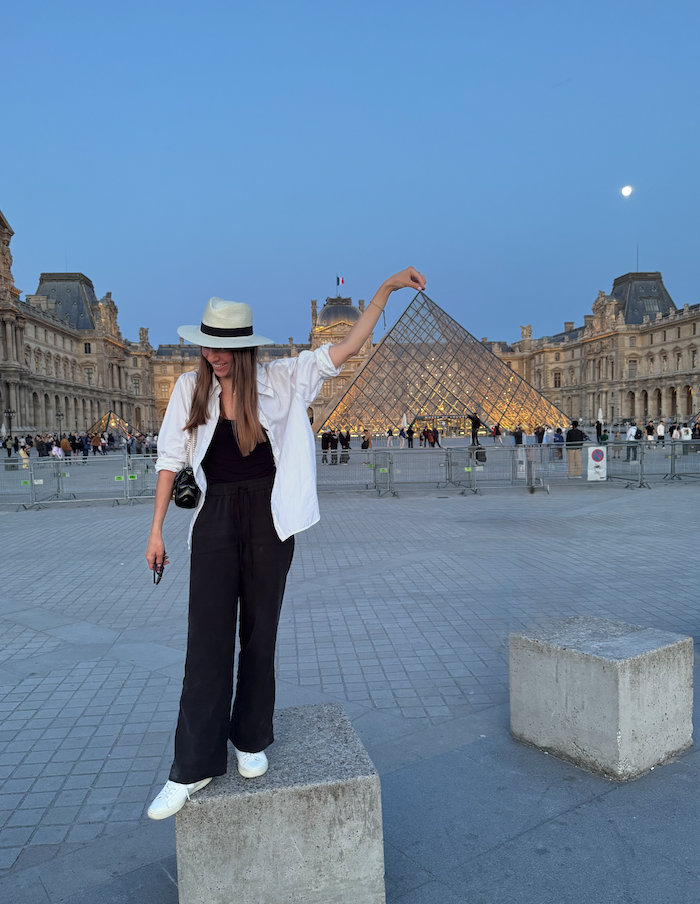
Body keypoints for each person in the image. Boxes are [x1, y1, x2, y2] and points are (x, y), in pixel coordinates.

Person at [144, 266, 426, 821]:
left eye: (224, 350)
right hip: (216, 513)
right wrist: (154, 529)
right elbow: (169, 461)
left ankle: (250, 738)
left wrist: (384, 293)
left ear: (244, 350)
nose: (214, 357)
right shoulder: (187, 388)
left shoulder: (282, 378)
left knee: (260, 631)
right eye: (208, 347)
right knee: (206, 635)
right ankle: (192, 765)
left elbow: (345, 347)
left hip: (271, 514)